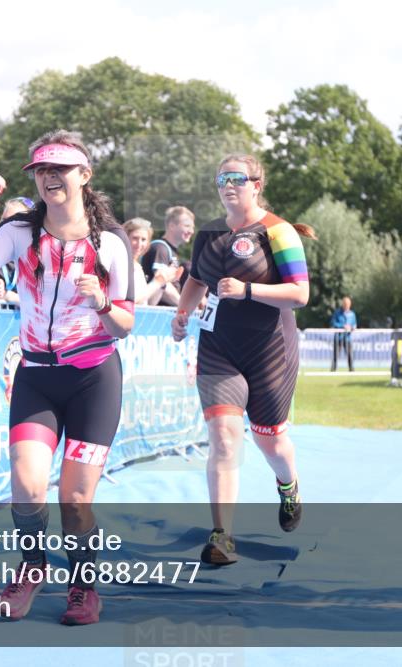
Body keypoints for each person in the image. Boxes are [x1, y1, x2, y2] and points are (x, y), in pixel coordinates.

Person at [0, 130, 135, 625]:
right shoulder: (20, 233)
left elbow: (125, 324)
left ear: (84, 176)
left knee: (74, 499)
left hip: (94, 378)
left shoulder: (111, 244)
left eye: (61, 168)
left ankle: (82, 585)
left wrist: (100, 301)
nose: (51, 177)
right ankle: (32, 567)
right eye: (42, 170)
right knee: (27, 485)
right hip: (36, 377)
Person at [171, 153, 314, 566]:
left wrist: (249, 290)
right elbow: (197, 279)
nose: (229, 185)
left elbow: (301, 295)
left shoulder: (279, 232)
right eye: (221, 179)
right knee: (225, 437)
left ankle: (288, 486)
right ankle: (222, 536)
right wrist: (182, 313)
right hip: (219, 349)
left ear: (256, 184)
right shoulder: (209, 234)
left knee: (270, 439)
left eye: (237, 178)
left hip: (271, 349)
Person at [141, 205, 194, 306]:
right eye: (187, 226)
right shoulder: (160, 248)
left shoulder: (171, 251)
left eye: (192, 227)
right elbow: (162, 281)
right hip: (156, 314)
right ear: (172, 226)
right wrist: (185, 308)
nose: (191, 231)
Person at [124, 217, 182, 306]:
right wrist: (157, 282)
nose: (139, 244)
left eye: (143, 240)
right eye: (135, 238)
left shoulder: (137, 266)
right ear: (125, 238)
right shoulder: (123, 264)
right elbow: (134, 301)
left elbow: (148, 303)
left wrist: (163, 282)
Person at [330, 296, 357, 372]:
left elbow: (354, 324)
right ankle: (333, 370)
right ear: (343, 304)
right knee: (336, 355)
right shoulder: (337, 313)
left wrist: (352, 327)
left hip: (348, 337)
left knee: (350, 354)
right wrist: (342, 326)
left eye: (348, 304)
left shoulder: (352, 314)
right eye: (345, 304)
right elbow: (333, 323)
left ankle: (351, 370)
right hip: (338, 337)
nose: (346, 306)